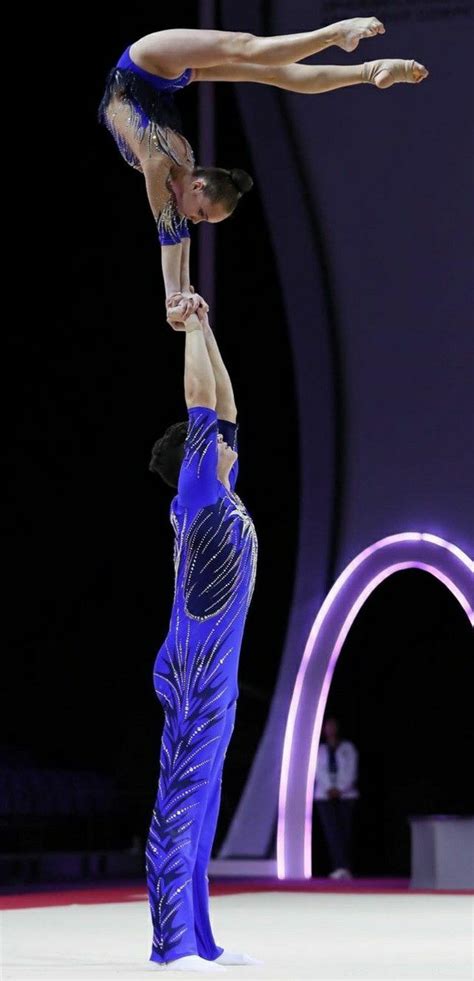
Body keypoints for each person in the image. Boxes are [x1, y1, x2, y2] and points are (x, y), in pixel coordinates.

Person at [99, 22, 428, 323]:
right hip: (156, 74)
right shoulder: (177, 162)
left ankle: (353, 52)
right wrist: (179, 295)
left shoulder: (158, 160)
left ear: (197, 186)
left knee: (257, 58)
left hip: (145, 64)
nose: (194, 219)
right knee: (259, 61)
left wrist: (178, 296)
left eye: (200, 214)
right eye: (202, 215)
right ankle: (353, 52)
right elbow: (175, 233)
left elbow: (171, 232)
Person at [147, 308, 258, 972]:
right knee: (180, 807)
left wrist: (209, 326)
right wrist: (187, 327)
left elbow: (226, 403)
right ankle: (170, 946)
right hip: (193, 671)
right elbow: (201, 402)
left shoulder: (222, 487)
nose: (227, 442)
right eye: (214, 439)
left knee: (205, 805)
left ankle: (202, 939)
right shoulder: (197, 492)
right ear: (192, 454)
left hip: (218, 674)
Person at [313, 717, 359, 880]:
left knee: (344, 831)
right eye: (328, 726)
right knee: (332, 833)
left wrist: (340, 789)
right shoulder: (320, 750)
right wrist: (329, 789)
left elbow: (351, 770)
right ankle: (338, 866)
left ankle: (346, 866)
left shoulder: (348, 747)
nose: (330, 729)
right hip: (324, 796)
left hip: (345, 795)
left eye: (333, 726)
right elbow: (318, 771)